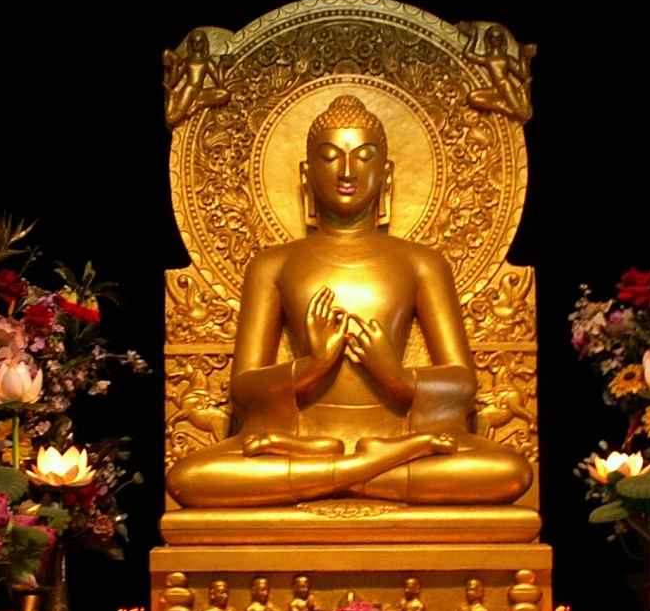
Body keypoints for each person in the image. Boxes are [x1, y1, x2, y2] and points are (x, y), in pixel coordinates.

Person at [164, 94, 533, 507]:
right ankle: (369, 471)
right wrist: (311, 366)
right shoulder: (272, 265)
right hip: (296, 443)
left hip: (403, 438)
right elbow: (244, 388)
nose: (346, 171)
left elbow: (463, 385)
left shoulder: (422, 263)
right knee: (187, 478)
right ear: (306, 175)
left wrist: (397, 376)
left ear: (386, 174)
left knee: (510, 472)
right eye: (329, 156)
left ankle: (338, 474)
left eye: (363, 156)